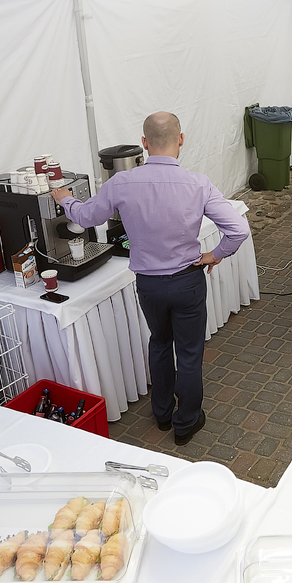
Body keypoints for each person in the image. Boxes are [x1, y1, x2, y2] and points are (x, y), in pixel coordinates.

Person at [53, 112, 250, 446]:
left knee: (159, 343)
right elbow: (238, 229)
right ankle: (185, 424)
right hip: (188, 281)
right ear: (181, 139)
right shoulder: (198, 183)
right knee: (189, 353)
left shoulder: (121, 183)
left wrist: (65, 199)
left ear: (144, 143)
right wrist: (216, 254)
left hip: (149, 284)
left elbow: (85, 217)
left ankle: (162, 414)